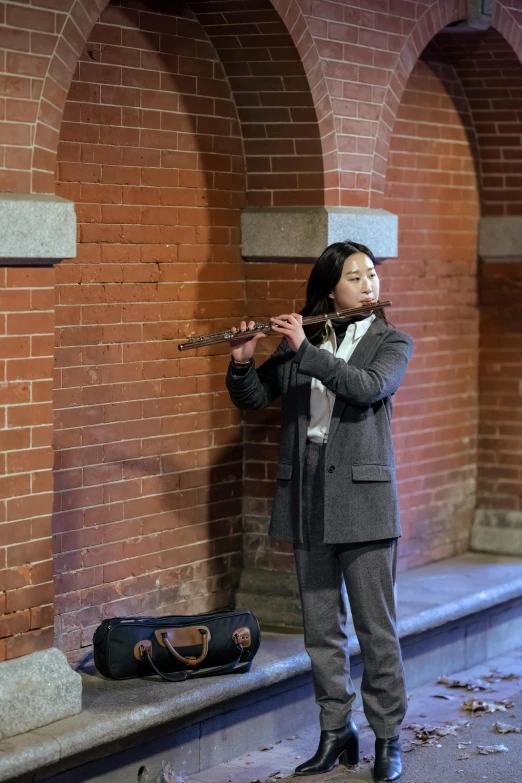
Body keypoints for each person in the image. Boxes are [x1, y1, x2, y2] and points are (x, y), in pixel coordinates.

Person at [225, 241, 414, 783]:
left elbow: (366, 388)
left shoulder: (391, 341)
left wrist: (305, 348)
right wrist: (243, 361)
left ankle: (386, 737)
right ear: (331, 287)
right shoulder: (306, 337)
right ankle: (336, 731)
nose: (368, 285)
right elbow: (257, 396)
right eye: (355, 277)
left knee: (377, 631)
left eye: (371, 275)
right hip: (307, 490)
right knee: (321, 629)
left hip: (364, 499)